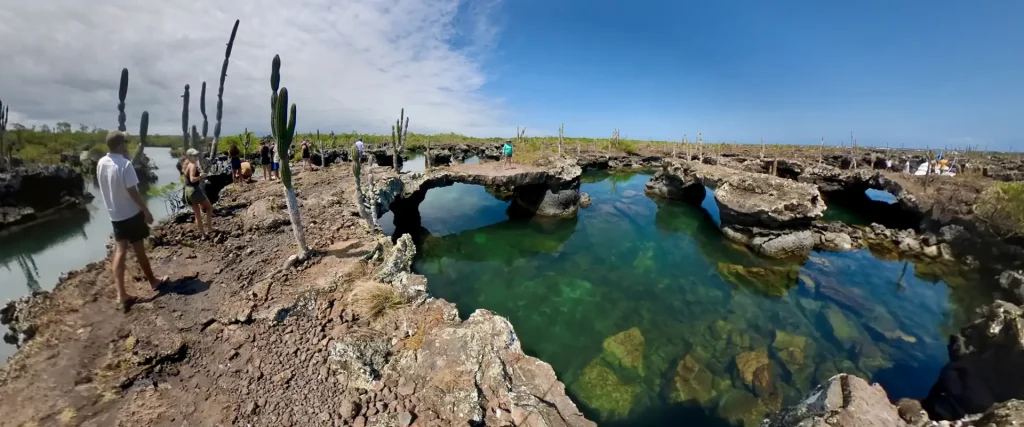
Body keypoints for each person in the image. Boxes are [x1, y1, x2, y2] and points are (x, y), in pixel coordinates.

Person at [95, 131, 168, 312]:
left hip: (115, 215)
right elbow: (133, 192)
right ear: (122, 144)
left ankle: (121, 294)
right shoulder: (125, 165)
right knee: (139, 249)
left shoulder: (101, 163)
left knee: (120, 251)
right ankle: (153, 281)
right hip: (130, 214)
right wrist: (146, 211)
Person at [183, 148, 214, 237]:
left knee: (197, 214)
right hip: (194, 190)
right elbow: (193, 179)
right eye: (194, 155)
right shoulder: (192, 165)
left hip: (188, 191)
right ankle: (209, 228)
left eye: (197, 155)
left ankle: (203, 235)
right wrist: (201, 176)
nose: (196, 157)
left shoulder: (187, 164)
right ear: (189, 156)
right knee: (209, 208)